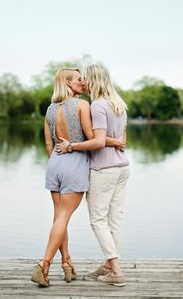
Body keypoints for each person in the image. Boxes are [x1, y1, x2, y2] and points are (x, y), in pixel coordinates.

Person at [31, 68, 123, 287]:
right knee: (62, 218)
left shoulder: (50, 109)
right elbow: (94, 138)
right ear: (68, 83)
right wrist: (115, 141)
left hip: (55, 163)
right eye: (79, 79)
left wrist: (57, 162)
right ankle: (43, 265)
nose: (83, 82)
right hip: (74, 163)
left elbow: (48, 144)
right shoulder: (83, 105)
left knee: (59, 218)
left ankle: (66, 264)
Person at [55, 63, 129, 287]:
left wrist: (71, 147)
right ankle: (107, 266)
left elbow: (97, 141)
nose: (83, 82)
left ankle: (115, 271)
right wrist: (114, 141)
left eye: (86, 78)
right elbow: (120, 139)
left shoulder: (97, 106)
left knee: (98, 220)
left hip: (103, 169)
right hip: (123, 168)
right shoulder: (119, 104)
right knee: (115, 219)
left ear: (94, 80)